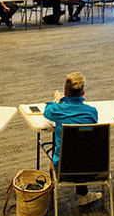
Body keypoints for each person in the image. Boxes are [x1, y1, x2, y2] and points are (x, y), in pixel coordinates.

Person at [42, 71, 101, 206]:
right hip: (91, 166)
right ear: (83, 93)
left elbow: (48, 110)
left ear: (65, 92)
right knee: (81, 147)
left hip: (63, 167)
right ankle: (83, 194)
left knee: (73, 150)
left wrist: (57, 99)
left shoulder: (57, 110)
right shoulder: (92, 112)